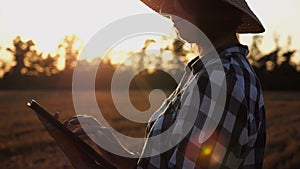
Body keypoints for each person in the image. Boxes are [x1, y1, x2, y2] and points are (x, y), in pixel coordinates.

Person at [38, 0, 266, 168]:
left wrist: (80, 160)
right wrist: (103, 140)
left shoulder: (220, 81)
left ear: (211, 7)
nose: (166, 10)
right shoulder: (206, 74)